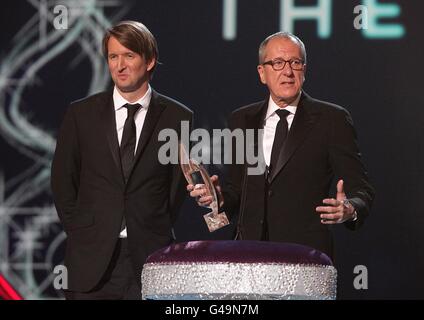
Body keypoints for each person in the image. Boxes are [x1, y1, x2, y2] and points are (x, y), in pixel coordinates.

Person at [188, 31, 374, 259]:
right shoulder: (241, 120)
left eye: (295, 63)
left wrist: (350, 209)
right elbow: (238, 191)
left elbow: (362, 190)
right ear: (262, 73)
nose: (287, 71)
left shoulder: (332, 119)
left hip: (306, 256)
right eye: (277, 63)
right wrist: (220, 199)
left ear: (304, 70)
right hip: (249, 254)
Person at [51, 21, 193, 299]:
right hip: (91, 262)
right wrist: (83, 232)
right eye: (113, 57)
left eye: (129, 56)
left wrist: (151, 224)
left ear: (149, 61)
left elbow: (175, 189)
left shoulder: (178, 117)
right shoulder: (81, 114)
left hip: (148, 259)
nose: (120, 65)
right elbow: (62, 182)